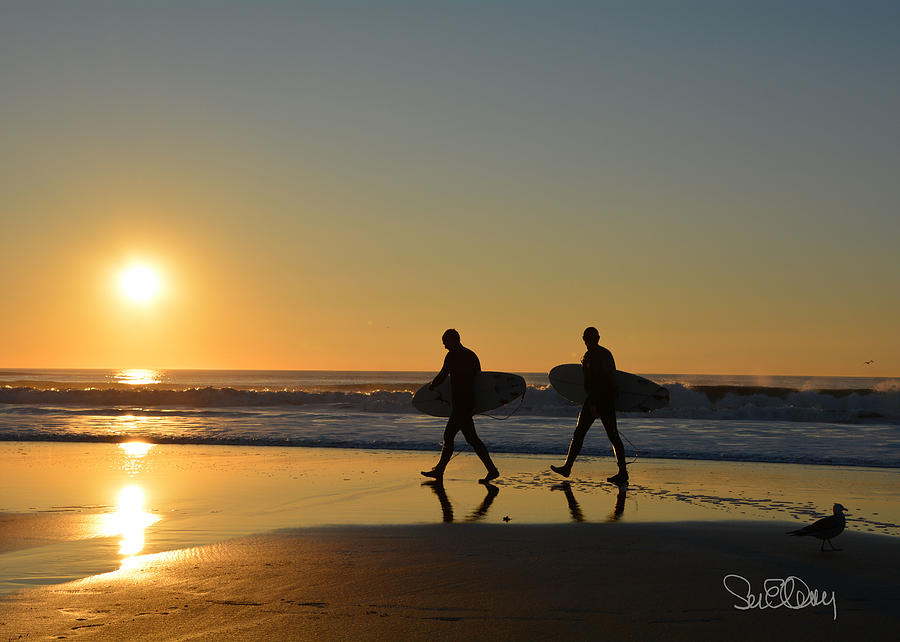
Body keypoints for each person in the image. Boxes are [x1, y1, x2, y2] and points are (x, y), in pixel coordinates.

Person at [420, 329, 500, 483]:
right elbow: (480, 380)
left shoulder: (453, 356)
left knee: (456, 437)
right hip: (468, 402)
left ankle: (491, 470)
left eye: (445, 342)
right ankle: (441, 470)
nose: (444, 346)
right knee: (467, 438)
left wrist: (431, 387)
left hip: (460, 404)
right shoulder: (471, 354)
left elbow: (443, 375)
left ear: (453, 340)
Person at [551, 327, 628, 484]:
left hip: (600, 399)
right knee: (583, 433)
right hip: (599, 399)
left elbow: (601, 381)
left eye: (591, 338)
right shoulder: (599, 354)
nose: (589, 341)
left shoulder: (597, 355)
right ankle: (567, 467)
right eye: (587, 339)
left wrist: (594, 403)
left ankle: (622, 472)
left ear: (596, 338)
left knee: (609, 435)